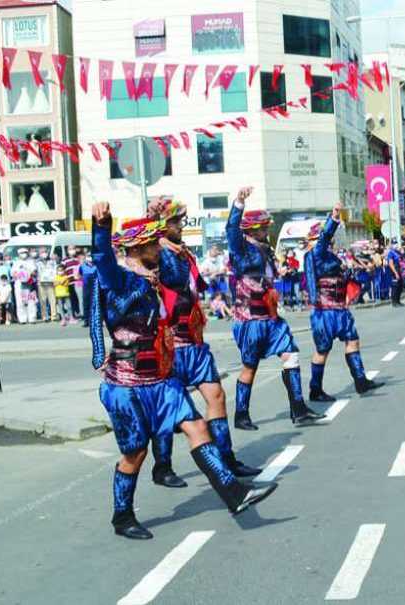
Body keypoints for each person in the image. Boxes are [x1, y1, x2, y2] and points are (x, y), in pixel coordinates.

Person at [88, 202, 276, 540]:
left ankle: (234, 494)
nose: (158, 248)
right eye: (152, 244)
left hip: (161, 381)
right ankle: (122, 516)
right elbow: (101, 259)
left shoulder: (159, 276)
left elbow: (187, 278)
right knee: (134, 454)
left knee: (197, 427)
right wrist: (101, 228)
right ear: (136, 248)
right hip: (127, 385)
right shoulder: (118, 280)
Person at [146, 198, 261, 488]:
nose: (181, 226)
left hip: (193, 340)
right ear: (161, 224)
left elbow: (190, 287)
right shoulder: (157, 253)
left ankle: (226, 458)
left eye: (181, 220)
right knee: (167, 409)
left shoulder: (180, 252)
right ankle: (162, 467)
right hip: (169, 343)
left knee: (217, 396)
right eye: (175, 221)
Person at [225, 187, 325, 430]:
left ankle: (298, 409)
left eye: (266, 226)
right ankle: (241, 414)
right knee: (250, 367)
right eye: (262, 227)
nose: (266, 230)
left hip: (270, 317)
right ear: (250, 230)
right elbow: (230, 230)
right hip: (250, 319)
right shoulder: (241, 249)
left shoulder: (265, 250)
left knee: (290, 354)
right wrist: (238, 204)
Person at [304, 201, 384, 403]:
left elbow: (345, 275)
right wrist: (333, 219)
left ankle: (360, 380)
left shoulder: (331, 256)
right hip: (324, 310)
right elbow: (324, 240)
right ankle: (315, 389)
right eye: (323, 239)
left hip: (341, 309)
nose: (329, 243)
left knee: (353, 340)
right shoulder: (316, 254)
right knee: (322, 350)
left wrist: (363, 271)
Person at [11, 250, 38, 323]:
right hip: (19, 285)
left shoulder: (31, 261)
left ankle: (32, 318)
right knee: (20, 302)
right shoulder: (16, 263)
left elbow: (35, 271)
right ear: (19, 254)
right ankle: (22, 319)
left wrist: (30, 274)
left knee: (31, 301)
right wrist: (19, 275)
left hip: (30, 284)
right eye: (22, 253)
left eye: (25, 253)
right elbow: (13, 273)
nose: (24, 254)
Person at [37, 250, 59, 322]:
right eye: (42, 252)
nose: (44, 254)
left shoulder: (52, 262)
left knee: (52, 300)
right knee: (42, 301)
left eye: (45, 252)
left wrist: (55, 280)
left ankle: (54, 316)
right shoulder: (37, 263)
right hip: (41, 283)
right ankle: (44, 316)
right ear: (40, 254)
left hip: (50, 283)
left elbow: (55, 271)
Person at [79, 254, 97, 327]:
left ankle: (96, 321)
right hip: (86, 287)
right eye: (88, 256)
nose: (90, 258)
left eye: (91, 256)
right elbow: (80, 274)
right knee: (86, 304)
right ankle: (86, 321)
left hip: (95, 286)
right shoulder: (82, 266)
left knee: (96, 304)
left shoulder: (97, 265)